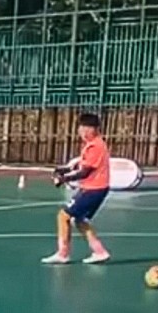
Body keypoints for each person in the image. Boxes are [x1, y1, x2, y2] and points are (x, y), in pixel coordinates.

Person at [42, 113, 112, 265]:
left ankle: (63, 253)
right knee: (80, 220)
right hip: (94, 188)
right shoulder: (92, 145)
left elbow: (85, 172)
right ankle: (100, 251)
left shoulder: (95, 146)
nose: (80, 132)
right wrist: (65, 170)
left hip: (94, 189)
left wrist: (63, 179)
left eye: (82, 128)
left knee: (63, 216)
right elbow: (81, 166)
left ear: (90, 129)